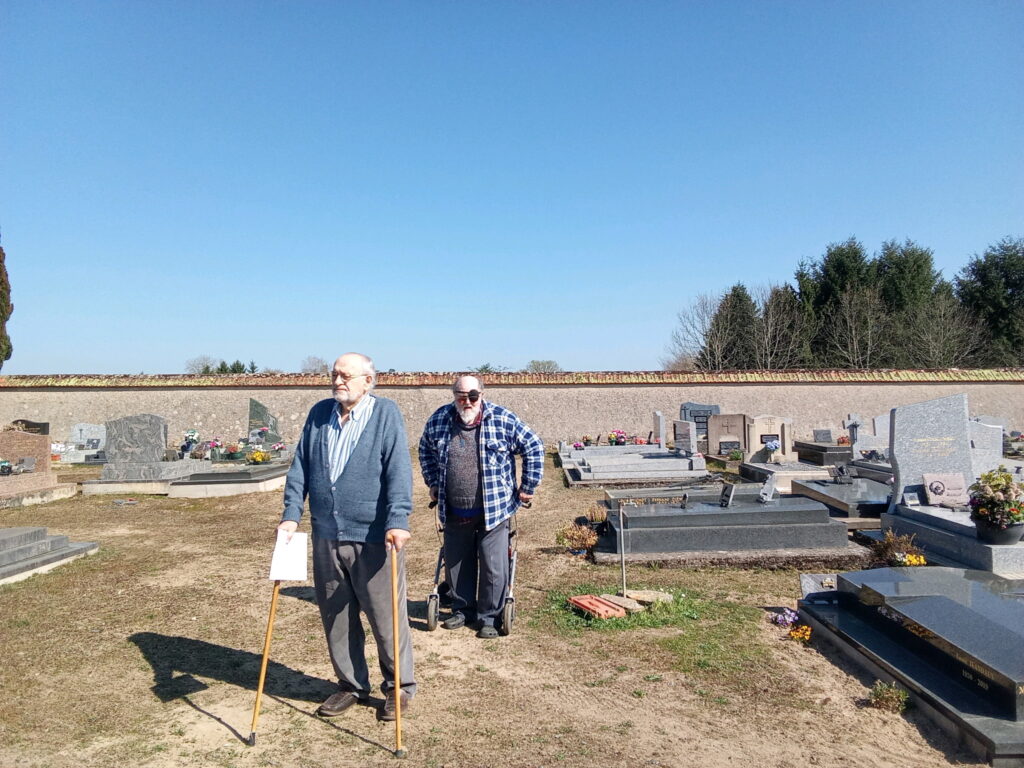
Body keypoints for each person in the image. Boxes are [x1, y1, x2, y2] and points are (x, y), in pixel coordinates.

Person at [277, 352, 415, 720]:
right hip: (326, 533)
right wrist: (291, 514)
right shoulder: (320, 413)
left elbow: (398, 469)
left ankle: (398, 687)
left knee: (386, 618)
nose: (338, 381)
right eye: (334, 375)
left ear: (368, 381)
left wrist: (398, 519)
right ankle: (351, 685)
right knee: (336, 616)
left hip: (374, 536)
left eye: (346, 376)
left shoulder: (385, 414)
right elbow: (300, 467)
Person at [418, 375, 544, 639]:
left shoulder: (502, 418)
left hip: (494, 510)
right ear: (454, 396)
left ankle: (489, 617)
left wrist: (528, 486)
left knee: (493, 566)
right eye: (461, 396)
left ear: (482, 395)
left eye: (473, 396)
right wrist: (433, 482)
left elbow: (533, 445)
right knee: (456, 563)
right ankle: (462, 610)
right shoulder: (439, 419)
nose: (467, 402)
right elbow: (425, 450)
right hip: (454, 509)